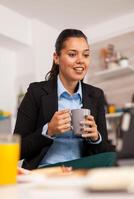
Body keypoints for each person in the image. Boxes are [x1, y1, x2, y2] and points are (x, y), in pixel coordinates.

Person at [14, 29, 111, 170]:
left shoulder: (96, 95)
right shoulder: (36, 92)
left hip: (81, 170)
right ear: (56, 57)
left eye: (86, 55)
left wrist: (96, 137)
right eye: (72, 54)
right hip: (46, 170)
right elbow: (16, 150)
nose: (80, 60)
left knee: (113, 158)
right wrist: (48, 130)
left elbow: (104, 152)